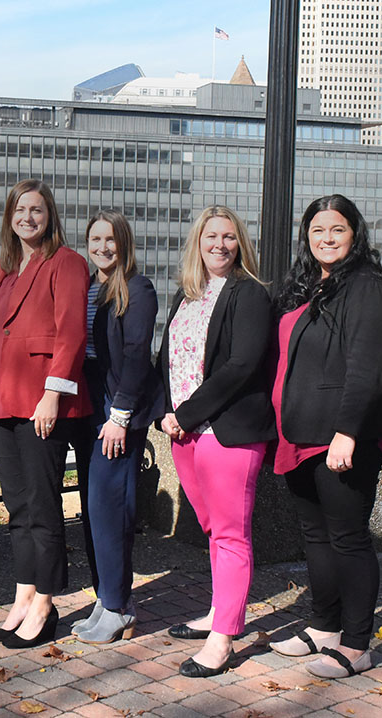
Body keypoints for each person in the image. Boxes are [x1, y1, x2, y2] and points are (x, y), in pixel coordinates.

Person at [268, 194, 382, 678]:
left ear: (354, 234)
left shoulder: (365, 285)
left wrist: (346, 433)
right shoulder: (305, 286)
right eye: (318, 230)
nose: (327, 238)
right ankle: (325, 626)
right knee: (315, 537)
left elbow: (365, 370)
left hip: (341, 436)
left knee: (347, 538)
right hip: (297, 431)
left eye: (337, 229)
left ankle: (358, 644)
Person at [156, 206, 275, 676]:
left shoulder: (249, 294)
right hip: (184, 433)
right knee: (213, 530)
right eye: (212, 236)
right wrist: (167, 413)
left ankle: (223, 638)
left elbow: (241, 365)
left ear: (240, 243)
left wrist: (185, 414)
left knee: (230, 533)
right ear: (198, 242)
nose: (220, 245)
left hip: (227, 432)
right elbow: (167, 357)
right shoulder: (188, 295)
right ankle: (219, 613)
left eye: (230, 237)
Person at [0, 179, 91, 649]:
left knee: (43, 508)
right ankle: (23, 594)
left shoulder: (67, 263)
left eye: (37, 209)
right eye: (20, 209)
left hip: (42, 403)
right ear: (10, 217)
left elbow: (71, 336)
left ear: (50, 215)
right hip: (3, 401)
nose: (28, 217)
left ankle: (46, 601)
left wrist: (52, 395)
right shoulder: (5, 269)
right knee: (17, 506)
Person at [67, 210, 159, 645]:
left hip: (118, 410)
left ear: (124, 243)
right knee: (95, 508)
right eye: (95, 239)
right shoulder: (89, 286)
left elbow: (139, 354)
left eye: (111, 240)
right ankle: (107, 599)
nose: (102, 247)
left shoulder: (137, 289)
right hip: (90, 405)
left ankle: (120, 606)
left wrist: (120, 415)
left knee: (111, 507)